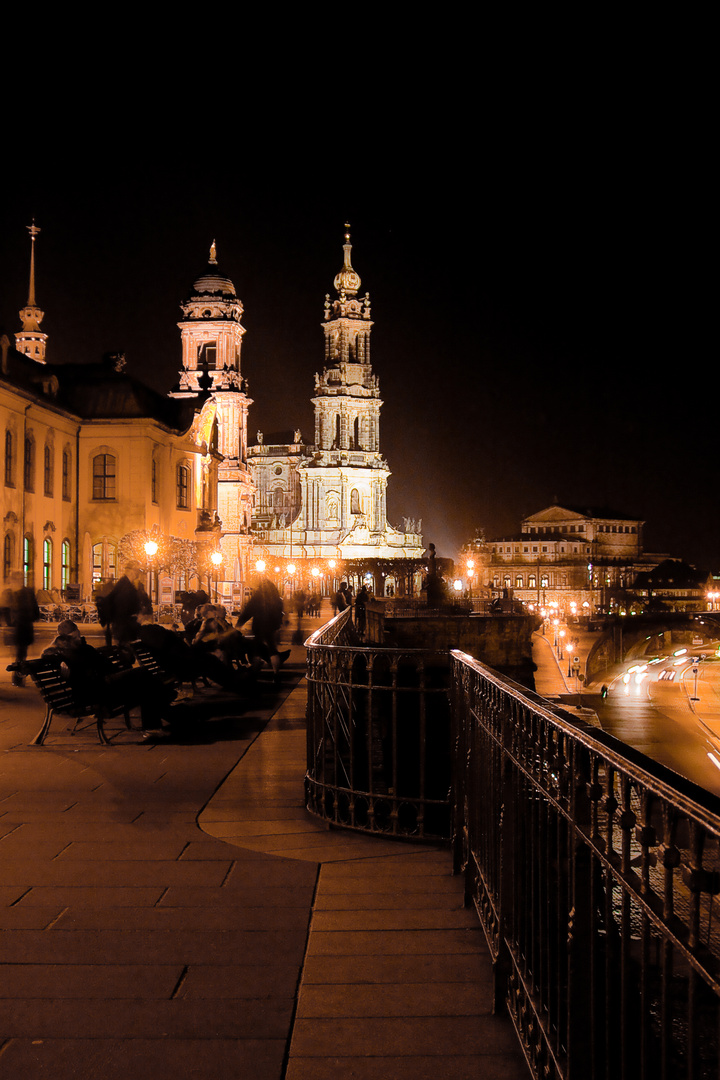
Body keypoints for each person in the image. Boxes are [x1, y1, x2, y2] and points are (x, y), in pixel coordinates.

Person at [42, 621, 175, 737]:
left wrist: (122, 665)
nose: (78, 638)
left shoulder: (84, 649)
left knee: (146, 683)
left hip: (104, 684)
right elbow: (47, 656)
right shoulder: (61, 653)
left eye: (77, 634)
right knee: (144, 674)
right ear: (63, 639)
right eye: (73, 637)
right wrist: (59, 661)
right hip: (95, 691)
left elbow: (105, 665)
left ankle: (156, 723)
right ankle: (156, 722)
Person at [236, 579, 289, 685]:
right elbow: (281, 612)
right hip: (271, 626)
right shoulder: (276, 599)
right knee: (272, 649)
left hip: (259, 626)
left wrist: (240, 623)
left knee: (256, 650)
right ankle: (276, 674)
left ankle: (254, 674)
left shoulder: (258, 597)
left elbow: (248, 610)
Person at [8, 572, 40, 687]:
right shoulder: (27, 592)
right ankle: (19, 678)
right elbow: (35, 609)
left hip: (19, 626)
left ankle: (18, 678)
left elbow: (9, 609)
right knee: (21, 654)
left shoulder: (13, 593)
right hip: (24, 626)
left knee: (19, 654)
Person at [102, 560, 144, 643]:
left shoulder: (126, 584)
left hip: (124, 627)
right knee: (127, 651)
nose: (138, 573)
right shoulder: (125, 586)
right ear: (132, 571)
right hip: (124, 628)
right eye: (137, 571)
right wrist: (136, 615)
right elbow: (122, 608)